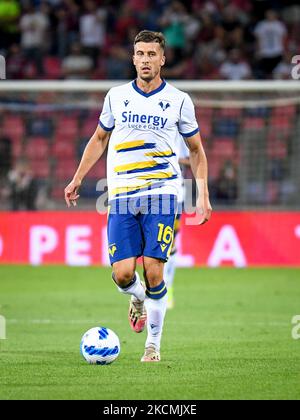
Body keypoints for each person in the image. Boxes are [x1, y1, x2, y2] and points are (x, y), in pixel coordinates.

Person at [64, 30, 212, 362]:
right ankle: (137, 297)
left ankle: (153, 345)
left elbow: (196, 151)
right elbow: (99, 139)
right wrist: (77, 178)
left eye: (151, 54)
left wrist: (203, 194)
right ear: (133, 58)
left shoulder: (179, 100)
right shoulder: (116, 96)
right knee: (122, 274)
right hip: (121, 195)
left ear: (162, 59)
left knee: (155, 271)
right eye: (140, 53)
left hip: (163, 194)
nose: (145, 59)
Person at [164, 139, 190, 309]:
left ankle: (168, 288)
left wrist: (169, 159)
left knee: (170, 241)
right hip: (150, 188)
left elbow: (190, 158)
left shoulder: (180, 132)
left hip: (175, 191)